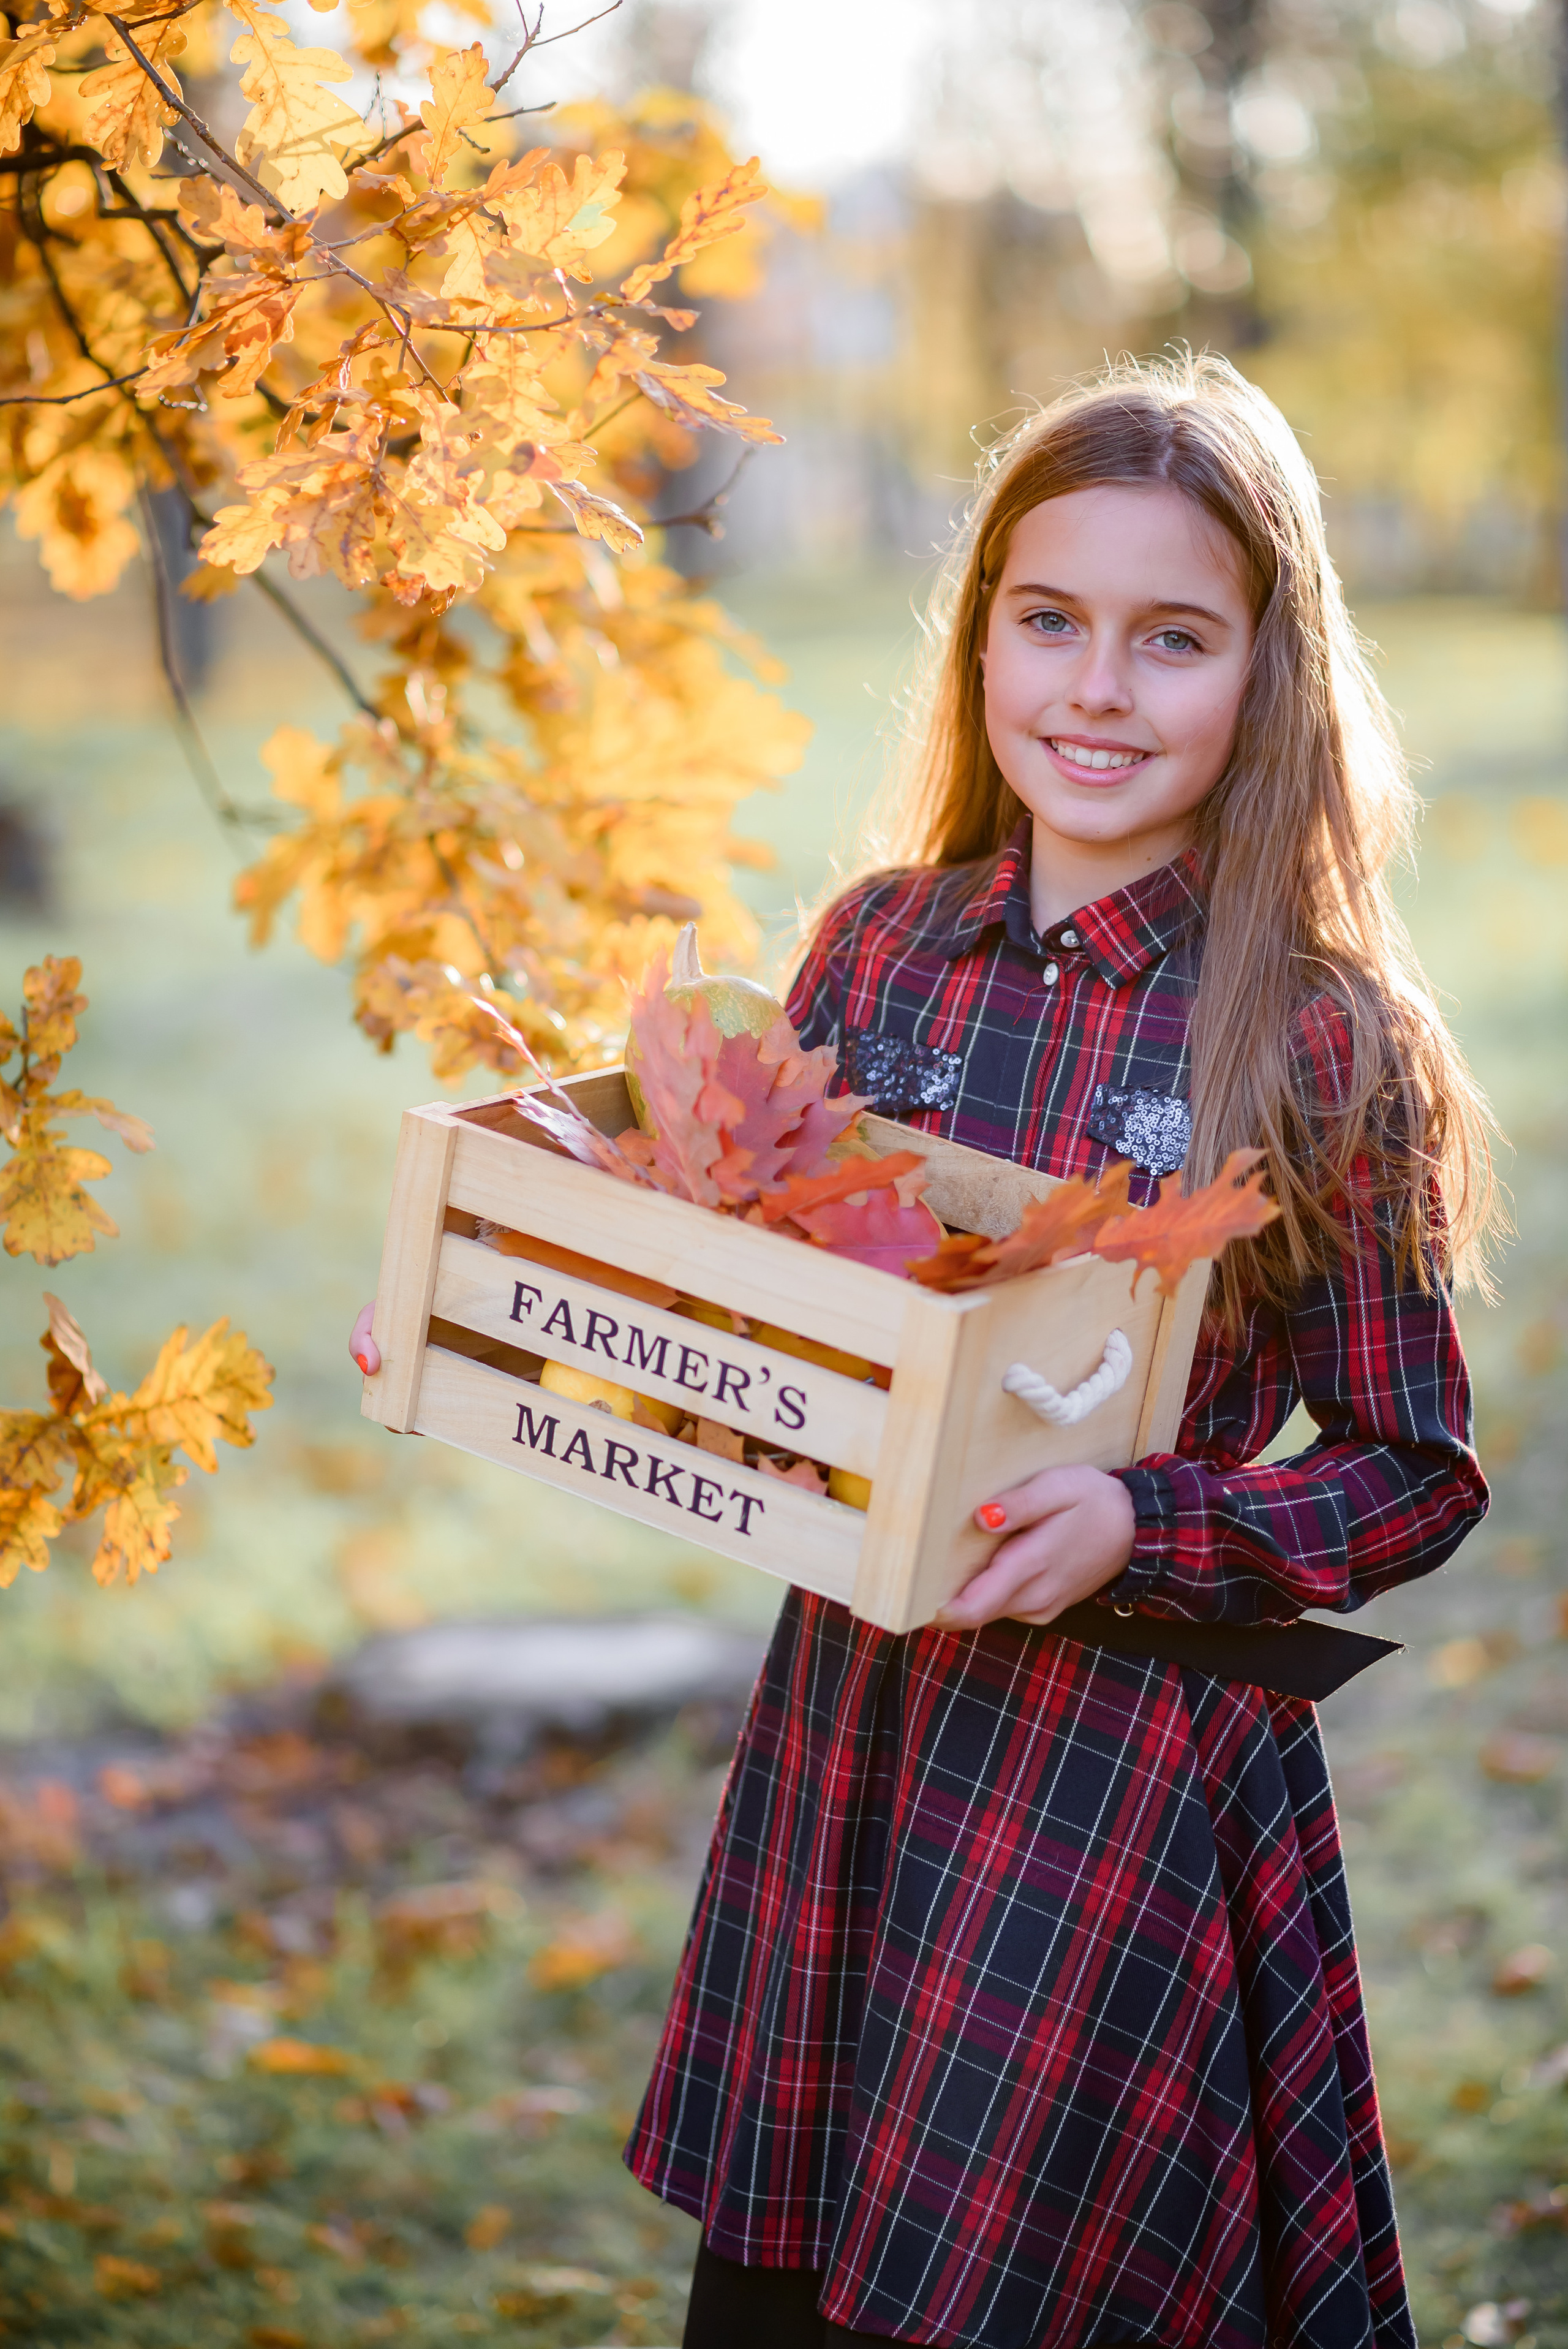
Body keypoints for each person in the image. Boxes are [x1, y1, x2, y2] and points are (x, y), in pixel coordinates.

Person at [617, 356, 1498, 2349]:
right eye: (1050, 619)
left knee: (1015, 2279)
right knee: (782, 2295)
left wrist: (1144, 1514)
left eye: (1172, 638)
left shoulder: (1313, 1040)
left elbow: (1411, 1461)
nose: (1098, 687)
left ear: (1267, 674)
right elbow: (751, 1304)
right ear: (984, 638)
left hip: (1111, 1783)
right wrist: (536, 1320)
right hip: (858, 1723)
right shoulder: (876, 951)